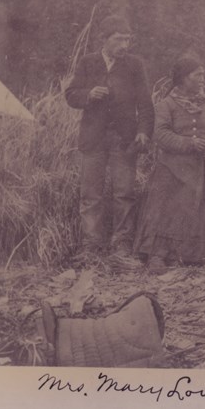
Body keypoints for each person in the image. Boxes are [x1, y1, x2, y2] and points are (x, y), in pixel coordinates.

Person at [65, 15, 154, 261]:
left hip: (124, 140)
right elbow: (71, 94)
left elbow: (146, 104)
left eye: (127, 40)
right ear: (103, 39)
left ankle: (121, 245)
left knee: (124, 193)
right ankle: (91, 246)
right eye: (118, 39)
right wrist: (88, 94)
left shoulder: (135, 65)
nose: (124, 45)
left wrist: (144, 132)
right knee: (90, 194)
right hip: (93, 139)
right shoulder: (88, 62)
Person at [133, 55, 205, 272]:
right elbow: (160, 134)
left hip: (200, 168)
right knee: (165, 208)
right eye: (197, 74)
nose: (202, 78)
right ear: (183, 78)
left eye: (203, 74)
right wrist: (189, 143)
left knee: (194, 206)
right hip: (171, 166)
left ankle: (188, 255)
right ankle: (158, 256)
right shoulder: (166, 105)